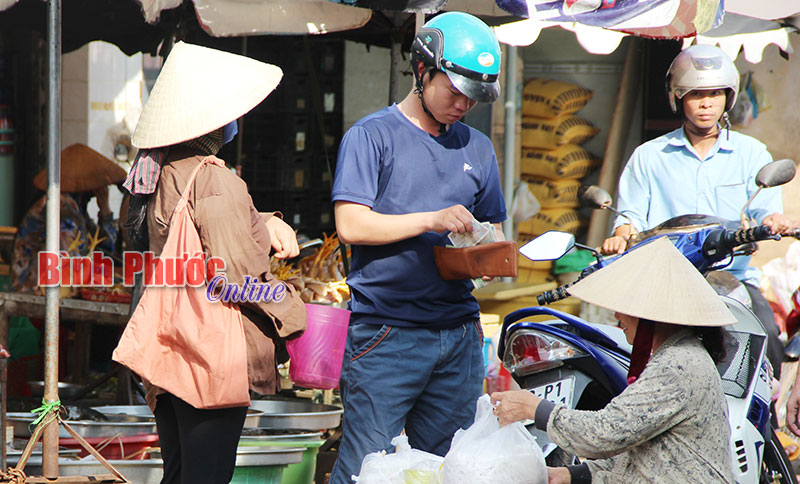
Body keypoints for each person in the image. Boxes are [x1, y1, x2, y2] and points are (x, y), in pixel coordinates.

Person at [329, 11, 506, 484]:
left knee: (452, 469)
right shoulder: (371, 136)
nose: (463, 105)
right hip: (387, 334)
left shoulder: (478, 148)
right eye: (455, 91)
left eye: (474, 97)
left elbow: (494, 229)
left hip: (459, 335)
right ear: (423, 71)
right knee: (368, 468)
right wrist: (432, 219)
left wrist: (487, 256)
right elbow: (350, 225)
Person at [123, 42, 306, 484]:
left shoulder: (158, 172)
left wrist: (263, 221)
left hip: (171, 349)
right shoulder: (214, 178)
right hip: (210, 357)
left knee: (180, 473)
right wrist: (293, 310)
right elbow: (236, 276)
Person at [600, 44, 792, 377]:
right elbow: (631, 215)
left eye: (715, 93)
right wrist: (621, 233)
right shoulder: (649, 156)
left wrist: (773, 221)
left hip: (732, 280)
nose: (706, 103)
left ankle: (765, 405)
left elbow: (765, 212)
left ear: (728, 98)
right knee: (628, 352)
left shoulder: (752, 154)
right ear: (678, 97)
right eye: (696, 94)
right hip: (667, 279)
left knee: (769, 341)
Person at [492, 237, 736, 484]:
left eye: (625, 306)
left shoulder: (678, 365)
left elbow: (606, 432)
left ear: (650, 314)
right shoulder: (679, 355)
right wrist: (570, 475)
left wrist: (535, 409)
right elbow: (644, 454)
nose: (618, 315)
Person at [11, 143, 124, 294]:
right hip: (34, 288)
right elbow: (74, 259)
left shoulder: (77, 209)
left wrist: (105, 210)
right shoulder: (61, 205)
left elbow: (104, 250)